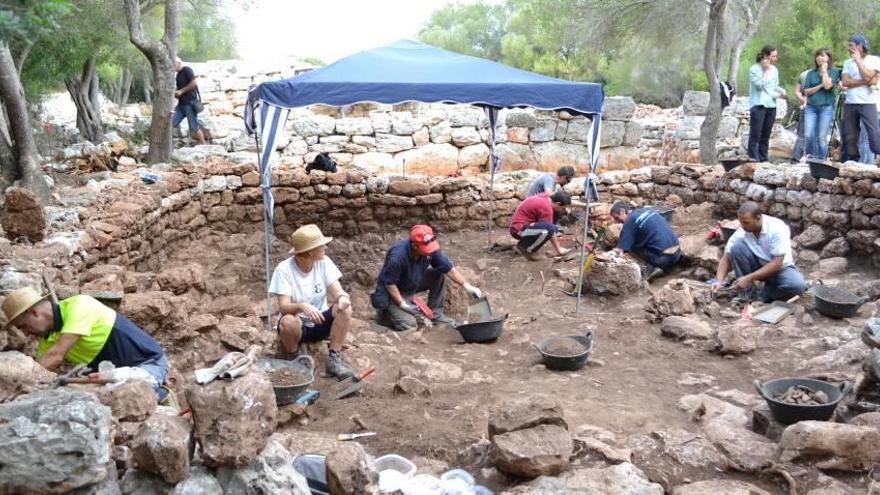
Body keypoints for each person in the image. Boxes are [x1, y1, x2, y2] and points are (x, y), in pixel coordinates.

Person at [2, 287, 170, 399]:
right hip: (115, 375)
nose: (25, 333)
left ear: (35, 313)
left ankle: (163, 393)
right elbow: (40, 372)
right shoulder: (47, 341)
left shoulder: (80, 305)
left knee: (135, 398)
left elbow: (56, 356)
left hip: (149, 364)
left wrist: (18, 387)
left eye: (23, 326)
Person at [270, 224, 353, 379]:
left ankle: (333, 360)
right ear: (309, 251)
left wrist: (342, 297)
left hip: (321, 322)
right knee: (288, 321)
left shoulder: (324, 262)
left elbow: (337, 291)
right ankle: (295, 360)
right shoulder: (284, 270)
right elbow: (283, 307)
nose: (325, 248)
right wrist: (302, 306)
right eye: (321, 245)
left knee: (345, 308)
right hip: (299, 328)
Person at [371, 225, 482, 331]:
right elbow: (389, 283)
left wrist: (467, 286)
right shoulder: (398, 256)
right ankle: (385, 314)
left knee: (438, 275)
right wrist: (402, 304)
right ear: (415, 245)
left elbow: (448, 268)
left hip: (410, 282)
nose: (430, 250)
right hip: (392, 293)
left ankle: (436, 314)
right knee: (410, 325)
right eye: (426, 248)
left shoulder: (430, 248)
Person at [712, 201, 806, 303]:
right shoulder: (743, 231)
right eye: (741, 222)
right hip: (758, 264)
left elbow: (777, 263)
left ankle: (764, 294)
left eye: (746, 223)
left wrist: (748, 278)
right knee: (736, 248)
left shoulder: (777, 228)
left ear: (758, 218)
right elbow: (726, 257)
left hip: (779, 269)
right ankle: (747, 293)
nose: (742, 226)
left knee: (797, 285)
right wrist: (719, 281)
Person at [610, 202, 681, 280]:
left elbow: (621, 251)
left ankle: (651, 268)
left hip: (663, 259)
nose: (617, 222)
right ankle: (666, 266)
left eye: (616, 218)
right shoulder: (646, 210)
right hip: (678, 253)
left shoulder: (629, 220)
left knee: (632, 246)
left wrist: (610, 253)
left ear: (622, 211)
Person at [841, 34, 880, 163]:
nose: (849, 48)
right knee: (850, 136)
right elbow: (845, 81)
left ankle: (878, 155)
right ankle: (853, 161)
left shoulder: (874, 60)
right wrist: (866, 80)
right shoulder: (847, 62)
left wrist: (858, 61)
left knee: (873, 134)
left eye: (851, 45)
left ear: (860, 46)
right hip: (850, 102)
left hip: (868, 103)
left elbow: (872, 79)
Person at [748, 46, 786, 162]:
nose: (775, 58)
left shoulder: (775, 69)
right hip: (759, 104)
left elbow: (774, 86)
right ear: (765, 56)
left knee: (766, 134)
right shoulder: (754, 69)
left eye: (776, 56)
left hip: (771, 105)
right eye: (773, 56)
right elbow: (759, 86)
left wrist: (781, 90)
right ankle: (753, 158)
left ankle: (763, 159)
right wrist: (765, 70)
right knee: (756, 134)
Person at [803, 48, 841, 161]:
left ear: (829, 58)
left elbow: (828, 86)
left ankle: (821, 160)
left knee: (821, 137)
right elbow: (806, 92)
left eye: (823, 55)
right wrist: (820, 86)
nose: (820, 58)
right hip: (811, 107)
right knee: (809, 134)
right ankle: (810, 158)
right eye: (818, 55)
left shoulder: (834, 71)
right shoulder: (811, 73)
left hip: (826, 107)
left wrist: (824, 71)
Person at [509, 190, 572, 259]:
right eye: (563, 208)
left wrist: (584, 205)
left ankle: (526, 243)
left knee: (553, 226)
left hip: (520, 226)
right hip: (518, 230)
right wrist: (559, 249)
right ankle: (528, 249)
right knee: (550, 229)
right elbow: (551, 230)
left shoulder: (546, 197)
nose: (563, 209)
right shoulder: (546, 207)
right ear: (558, 203)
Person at [173, 57, 207, 145]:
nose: (172, 67)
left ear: (178, 63)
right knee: (172, 123)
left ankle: (204, 145)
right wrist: (177, 93)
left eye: (174, 64)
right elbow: (180, 88)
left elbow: (194, 83)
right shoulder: (178, 75)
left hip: (189, 104)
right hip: (181, 105)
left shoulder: (187, 70)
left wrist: (181, 91)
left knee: (194, 127)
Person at [790, 69, 810, 163]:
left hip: (804, 107)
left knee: (801, 135)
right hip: (818, 108)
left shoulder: (803, 74)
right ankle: (812, 160)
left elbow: (796, 91)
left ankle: (795, 158)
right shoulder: (825, 73)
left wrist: (803, 100)